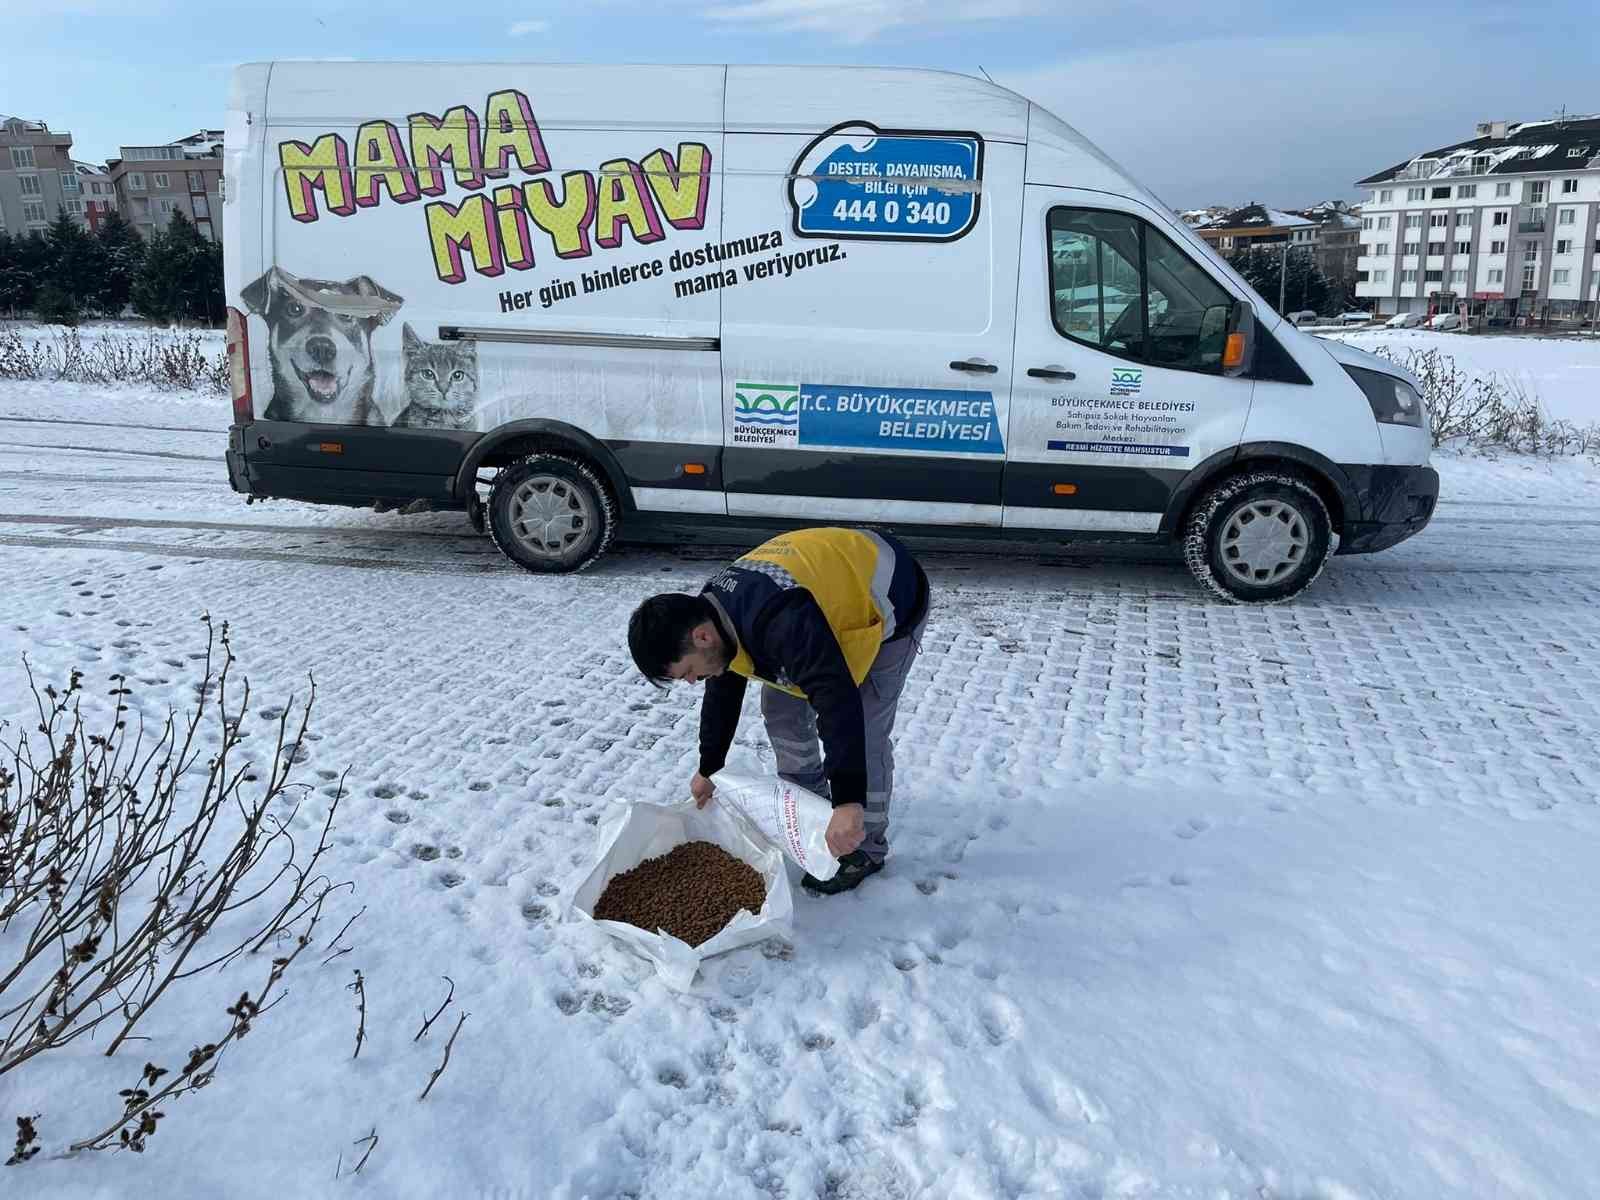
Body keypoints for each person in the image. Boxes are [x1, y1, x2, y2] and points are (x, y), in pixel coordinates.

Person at [628, 527, 931, 894]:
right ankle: (816, 816)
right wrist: (709, 766)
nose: (693, 681)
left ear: (702, 637)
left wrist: (849, 801)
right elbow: (724, 686)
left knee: (863, 731)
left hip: (890, 594)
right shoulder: (712, 618)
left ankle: (865, 847)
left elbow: (836, 700)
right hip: (820, 598)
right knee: (782, 710)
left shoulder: (779, 621)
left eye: (688, 672)